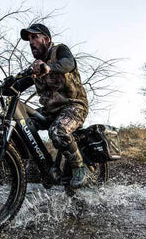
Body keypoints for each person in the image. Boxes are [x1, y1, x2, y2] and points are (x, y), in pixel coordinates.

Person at [13, 23, 89, 188]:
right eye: (29, 39)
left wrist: (49, 67)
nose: (31, 42)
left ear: (46, 39)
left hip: (74, 106)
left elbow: (69, 63)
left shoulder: (59, 50)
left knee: (57, 131)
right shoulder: (35, 67)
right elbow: (18, 85)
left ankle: (79, 166)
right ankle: (41, 166)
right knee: (24, 126)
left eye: (34, 37)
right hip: (50, 111)